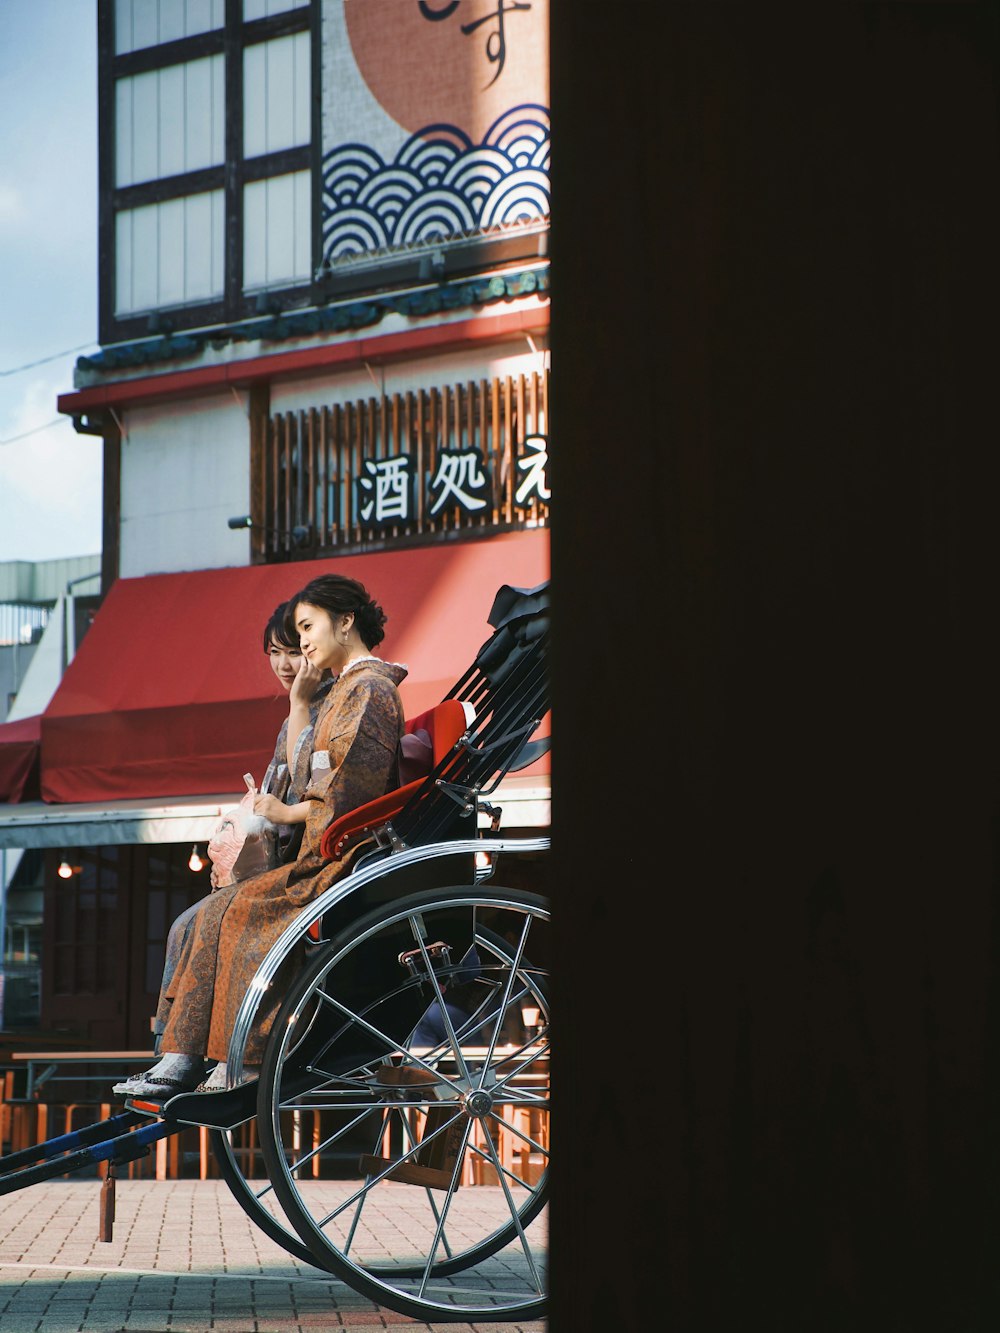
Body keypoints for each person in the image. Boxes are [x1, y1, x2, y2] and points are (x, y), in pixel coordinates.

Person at [115, 574, 407, 1099]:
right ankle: (182, 1056)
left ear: (345, 621)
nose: (303, 645)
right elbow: (317, 779)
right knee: (214, 912)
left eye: (307, 628)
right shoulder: (347, 689)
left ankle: (242, 1060)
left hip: (341, 856)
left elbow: (344, 795)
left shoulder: (370, 689)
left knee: (237, 911)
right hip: (325, 849)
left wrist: (292, 814)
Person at [146, 603, 333, 1057]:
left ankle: (197, 1052)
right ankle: (170, 1047)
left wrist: (298, 703)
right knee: (182, 926)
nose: (285, 665)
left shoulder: (327, 706)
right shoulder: (297, 714)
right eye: (275, 652)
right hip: (279, 854)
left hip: (308, 864)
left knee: (207, 920)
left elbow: (307, 785)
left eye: (294, 651)